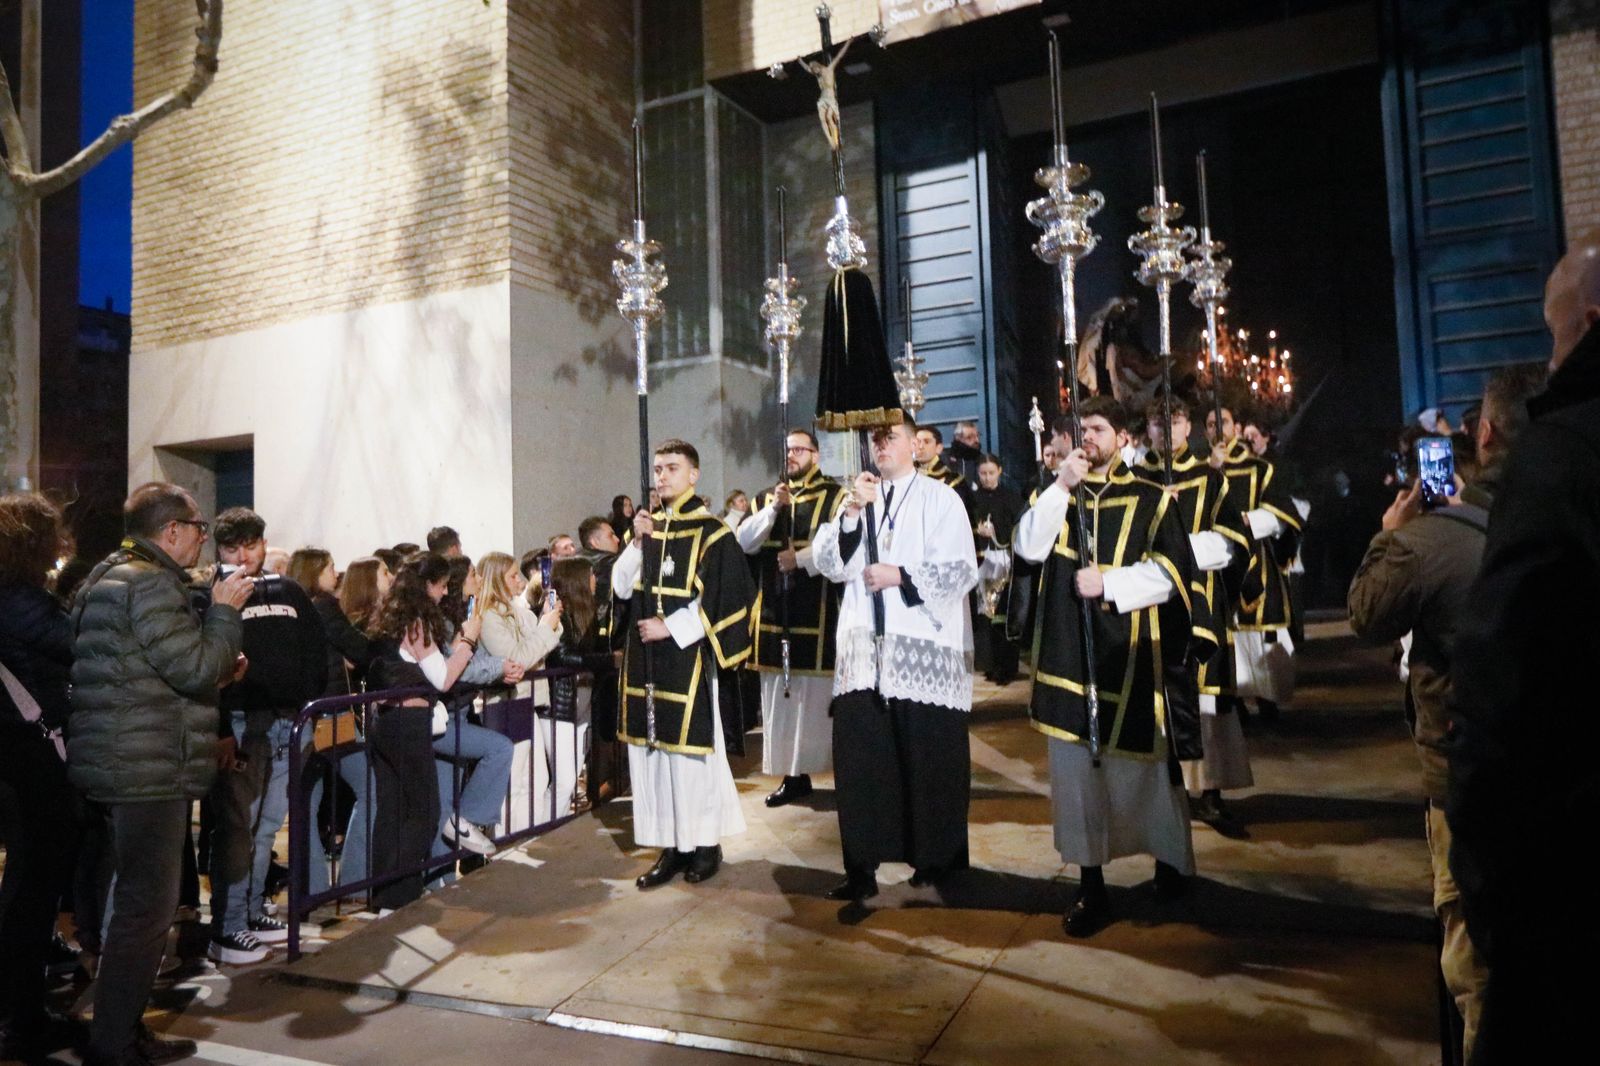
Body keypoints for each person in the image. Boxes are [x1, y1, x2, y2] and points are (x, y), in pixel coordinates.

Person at [1349, 366, 1544, 1061]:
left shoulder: (1430, 542)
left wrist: (1388, 534)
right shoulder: (1563, 501)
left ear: (1482, 433)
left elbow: (1367, 613)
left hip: (1468, 773)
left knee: (1473, 956)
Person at [1448, 233, 1600, 1062]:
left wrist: (1488, 883)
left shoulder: (1559, 455)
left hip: (1566, 870)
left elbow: (1500, 686)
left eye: (1558, 336)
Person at [69, 483, 251, 1066]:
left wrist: (215, 667)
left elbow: (148, 674)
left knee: (134, 908)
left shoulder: (109, 575)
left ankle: (119, 1030)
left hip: (125, 760)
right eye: (199, 526)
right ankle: (115, 1043)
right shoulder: (149, 583)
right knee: (145, 913)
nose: (204, 537)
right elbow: (194, 666)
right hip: (147, 770)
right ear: (170, 531)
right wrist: (224, 613)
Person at [1013, 398, 1197, 937]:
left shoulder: (1150, 499)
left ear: (1121, 436)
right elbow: (1027, 547)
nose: (1087, 438)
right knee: (1075, 780)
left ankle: (1171, 862)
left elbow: (1174, 573)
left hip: (1132, 653)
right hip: (1068, 654)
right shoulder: (1055, 496)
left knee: (1145, 774)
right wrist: (1061, 486)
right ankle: (1090, 885)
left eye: (1097, 429)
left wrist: (1111, 585)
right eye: (1080, 430)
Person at [812, 419, 978, 901]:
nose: (881, 445)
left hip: (920, 647)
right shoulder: (855, 499)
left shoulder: (940, 499)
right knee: (862, 763)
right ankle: (860, 867)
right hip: (864, 653)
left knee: (927, 763)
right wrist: (848, 514)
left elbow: (960, 569)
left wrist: (900, 575)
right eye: (874, 439)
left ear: (913, 445)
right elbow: (830, 564)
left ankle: (935, 861)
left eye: (891, 437)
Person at [612, 439, 756, 889]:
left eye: (672, 468)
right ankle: (671, 846)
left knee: (690, 759)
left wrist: (671, 627)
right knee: (653, 755)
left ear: (693, 474)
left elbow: (726, 596)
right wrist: (636, 542)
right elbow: (619, 587)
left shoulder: (713, 532)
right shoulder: (646, 529)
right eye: (657, 469)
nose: (662, 477)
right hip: (646, 664)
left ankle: (705, 843)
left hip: (687, 660)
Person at [206, 508, 328, 964]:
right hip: (241, 722)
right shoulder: (212, 596)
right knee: (238, 827)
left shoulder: (289, 590)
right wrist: (221, 727)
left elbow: (317, 653)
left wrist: (309, 711)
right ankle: (228, 925)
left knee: (267, 828)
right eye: (233, 548)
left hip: (288, 723)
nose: (244, 556)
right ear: (219, 551)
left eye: (251, 545)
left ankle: (253, 912)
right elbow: (208, 667)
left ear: (263, 542)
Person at [1139, 398, 1254, 827]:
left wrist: (1184, 549)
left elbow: (1234, 541)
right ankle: (1165, 793)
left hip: (1202, 601)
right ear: (1146, 430)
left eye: (1175, 421)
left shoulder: (1210, 478)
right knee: (1158, 700)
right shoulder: (1135, 480)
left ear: (1189, 428)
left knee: (1206, 703)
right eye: (1157, 422)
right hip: (1151, 606)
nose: (1166, 430)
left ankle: (1210, 790)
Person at [0, 493, 82, 1062]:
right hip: (33, 759)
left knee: (23, 889)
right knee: (32, 893)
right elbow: (80, 647)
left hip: (15, 757)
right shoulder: (20, 601)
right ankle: (23, 1020)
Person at [364, 552, 481, 910]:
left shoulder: (386, 616)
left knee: (391, 811)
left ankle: (384, 898)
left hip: (382, 721)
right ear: (427, 584)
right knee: (425, 811)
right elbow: (442, 678)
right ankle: (398, 895)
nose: (445, 594)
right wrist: (467, 642)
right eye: (442, 585)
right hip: (408, 723)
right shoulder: (417, 623)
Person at [736, 429, 847, 807]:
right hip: (773, 611)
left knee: (818, 701)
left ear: (816, 455)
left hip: (818, 609)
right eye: (788, 450)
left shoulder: (836, 496)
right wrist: (773, 510)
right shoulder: (768, 496)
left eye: (800, 449)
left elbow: (840, 547)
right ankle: (793, 775)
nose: (792, 455)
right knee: (781, 701)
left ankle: (841, 772)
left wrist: (799, 559)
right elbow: (743, 542)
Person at [1205, 404, 1302, 721]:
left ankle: (1267, 699)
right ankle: (1233, 699)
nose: (1217, 429)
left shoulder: (1259, 469)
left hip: (1254, 562)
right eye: (1210, 424)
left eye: (1224, 422)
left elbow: (1280, 514)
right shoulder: (1200, 472)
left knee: (1258, 636)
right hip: (1216, 566)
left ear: (1235, 427)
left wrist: (1248, 519)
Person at [547, 557, 615, 812]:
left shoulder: (588, 614)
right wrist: (607, 660)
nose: (595, 579)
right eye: (590, 574)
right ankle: (547, 828)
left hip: (584, 700)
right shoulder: (558, 613)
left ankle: (557, 823)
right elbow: (562, 656)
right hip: (561, 704)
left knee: (573, 773)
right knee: (564, 781)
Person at [971, 454, 1024, 684]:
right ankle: (990, 663)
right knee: (986, 617)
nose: (987, 478)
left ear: (1000, 471)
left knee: (1005, 615)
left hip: (1004, 561)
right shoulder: (972, 499)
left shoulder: (1011, 497)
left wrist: (997, 534)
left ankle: (1008, 665)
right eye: (983, 473)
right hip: (982, 563)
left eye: (991, 473)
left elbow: (1018, 529)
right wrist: (978, 531)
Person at [947, 420, 984, 489]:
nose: (977, 440)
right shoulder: (946, 459)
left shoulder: (983, 460)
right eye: (970, 437)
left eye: (977, 436)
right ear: (958, 438)